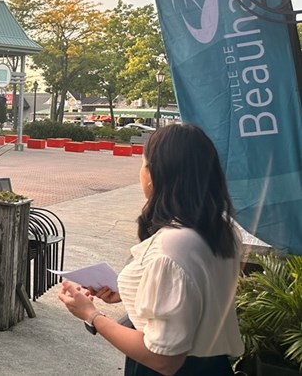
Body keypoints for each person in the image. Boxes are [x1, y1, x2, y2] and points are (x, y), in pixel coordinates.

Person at [58, 124, 243, 375]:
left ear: (155, 174)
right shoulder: (221, 231)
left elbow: (163, 358)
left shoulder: (171, 246)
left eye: (144, 163)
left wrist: (91, 315)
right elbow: (195, 294)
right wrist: (130, 290)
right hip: (215, 366)